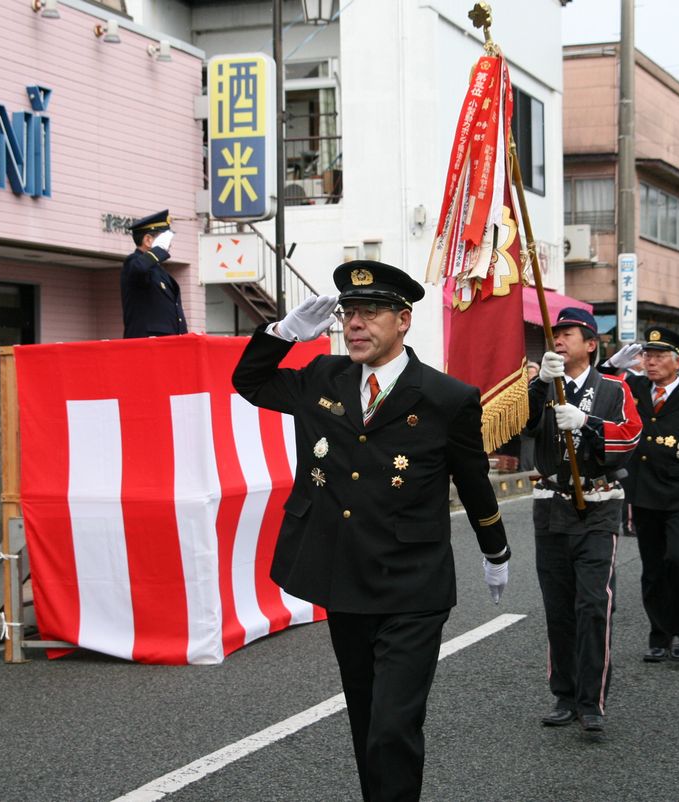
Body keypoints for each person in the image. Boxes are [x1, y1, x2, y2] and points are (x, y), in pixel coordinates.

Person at [232, 260, 510, 802]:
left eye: (371, 312)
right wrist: (283, 334)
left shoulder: (445, 397)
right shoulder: (323, 378)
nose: (355, 324)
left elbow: (474, 481)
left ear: (403, 320)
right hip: (345, 578)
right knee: (364, 719)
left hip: (412, 584)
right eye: (349, 313)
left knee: (392, 726)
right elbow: (250, 382)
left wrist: (494, 548)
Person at [527, 309, 641, 735]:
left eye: (567, 334)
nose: (558, 341)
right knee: (558, 606)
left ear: (591, 343)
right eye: (554, 334)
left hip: (597, 504)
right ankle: (564, 693)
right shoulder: (543, 385)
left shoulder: (613, 388)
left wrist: (589, 423)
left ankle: (591, 699)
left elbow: (630, 436)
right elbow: (518, 427)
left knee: (592, 604)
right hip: (550, 505)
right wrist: (538, 386)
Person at [603, 327, 679, 663]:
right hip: (645, 494)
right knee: (654, 567)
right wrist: (612, 363)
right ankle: (659, 635)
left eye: (658, 356)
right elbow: (595, 389)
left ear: (678, 362)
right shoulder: (635, 388)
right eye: (647, 356)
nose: (650, 362)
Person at [121, 209, 188, 339]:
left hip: (169, 342)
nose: (169, 245)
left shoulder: (158, 270)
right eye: (164, 239)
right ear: (148, 240)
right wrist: (159, 249)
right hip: (147, 345)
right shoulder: (133, 262)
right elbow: (139, 269)